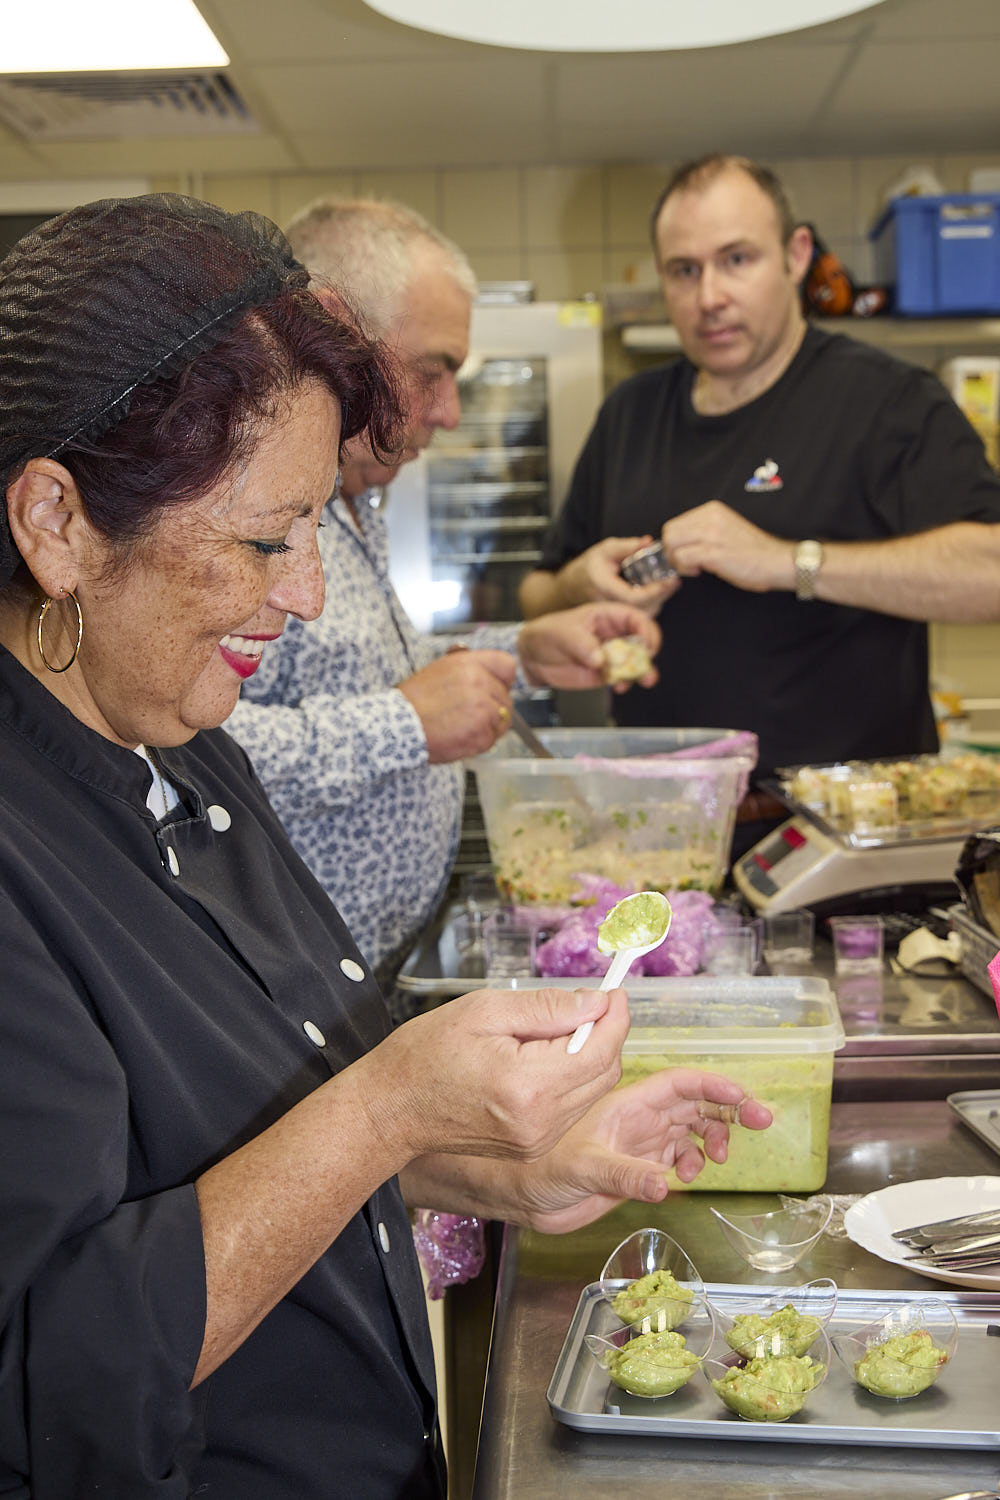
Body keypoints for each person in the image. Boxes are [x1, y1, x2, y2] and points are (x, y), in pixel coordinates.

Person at [0, 193, 771, 1498]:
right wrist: (388, 1104)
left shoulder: (190, 744)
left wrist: (494, 1168)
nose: (300, 595)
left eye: (314, 532)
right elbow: (54, 1378)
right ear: (58, 524)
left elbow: (232, 1155)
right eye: (261, 541)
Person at [225, 197, 661, 996]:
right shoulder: (245, 501)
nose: (452, 412)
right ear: (336, 336)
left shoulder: (359, 501)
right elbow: (190, 749)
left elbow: (366, 671)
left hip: (377, 968)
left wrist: (523, 653)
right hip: (285, 991)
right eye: (433, 370)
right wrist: (404, 725)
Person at [520, 154, 1000, 855]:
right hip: (661, 830)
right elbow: (539, 593)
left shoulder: (888, 401)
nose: (709, 295)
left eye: (736, 259)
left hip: (841, 841)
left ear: (797, 255)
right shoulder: (629, 413)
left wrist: (787, 562)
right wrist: (580, 584)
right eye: (684, 270)